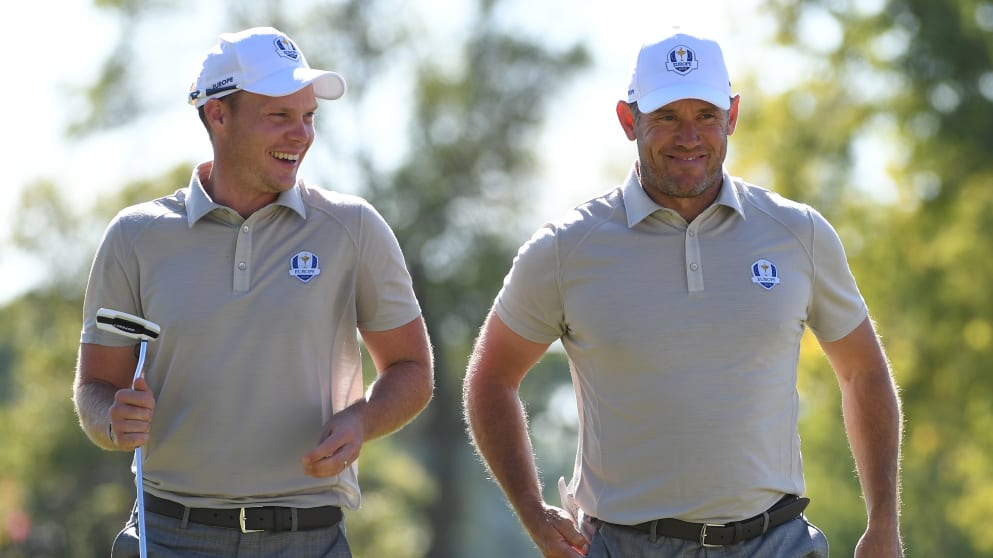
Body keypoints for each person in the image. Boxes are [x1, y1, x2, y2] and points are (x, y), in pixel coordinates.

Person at [463, 29, 902, 558]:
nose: (689, 135)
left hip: (776, 543)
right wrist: (532, 511)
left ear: (732, 117)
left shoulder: (798, 234)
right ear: (630, 121)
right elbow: (491, 377)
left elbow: (863, 372)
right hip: (625, 546)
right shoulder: (565, 248)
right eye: (667, 116)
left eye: (706, 115)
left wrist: (883, 522)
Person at [72, 27, 434, 558]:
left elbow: (412, 370)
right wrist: (110, 418)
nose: (302, 135)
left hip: (309, 539)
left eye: (309, 116)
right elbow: (95, 385)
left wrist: (361, 419)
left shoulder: (353, 228)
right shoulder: (136, 236)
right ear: (218, 115)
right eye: (280, 117)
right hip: (169, 536)